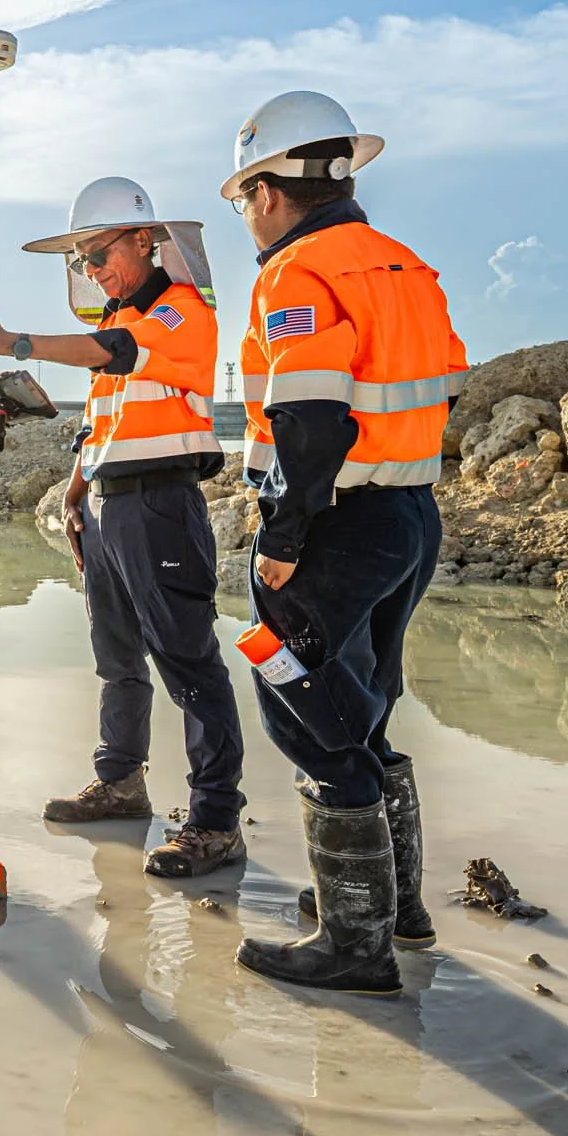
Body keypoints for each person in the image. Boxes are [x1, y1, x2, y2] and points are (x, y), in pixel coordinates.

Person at [222, 92, 467, 995]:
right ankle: (393, 907)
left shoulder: (297, 273)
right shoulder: (402, 265)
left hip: (328, 527)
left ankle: (354, 946)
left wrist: (284, 534)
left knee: (306, 711)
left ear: (271, 190)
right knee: (364, 705)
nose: (246, 216)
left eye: (243, 195)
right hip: (408, 517)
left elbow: (311, 418)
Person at [0, 177, 248, 877]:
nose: (93, 269)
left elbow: (116, 354)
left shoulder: (181, 313)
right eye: (83, 260)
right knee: (117, 656)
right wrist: (75, 490)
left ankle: (215, 819)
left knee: (189, 662)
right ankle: (121, 779)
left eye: (99, 252)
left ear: (146, 240)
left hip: (162, 504)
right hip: (108, 506)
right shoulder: (119, 318)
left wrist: (17, 343)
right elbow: (105, 417)